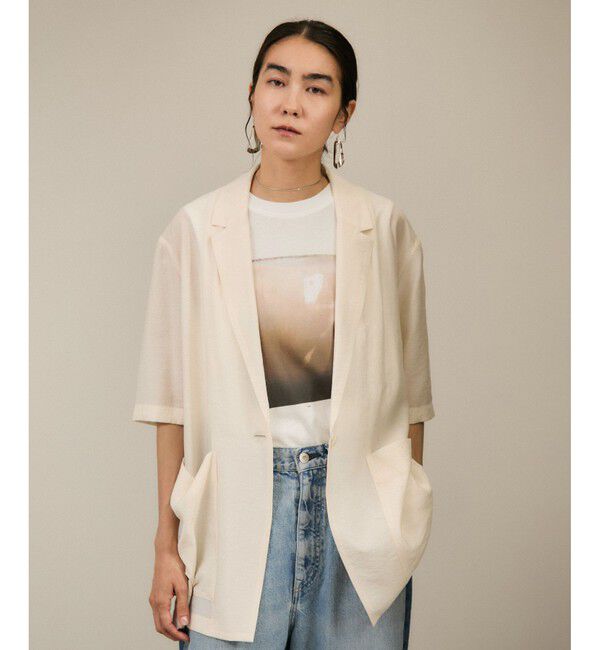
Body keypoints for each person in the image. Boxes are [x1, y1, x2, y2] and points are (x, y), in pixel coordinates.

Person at [133, 19, 435, 650]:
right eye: (277, 81)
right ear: (252, 93)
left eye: (316, 88)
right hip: (238, 508)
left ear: (344, 113)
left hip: (357, 513)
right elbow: (170, 405)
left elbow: (412, 396)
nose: (291, 103)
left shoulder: (384, 228)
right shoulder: (194, 230)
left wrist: (400, 514)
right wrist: (166, 544)